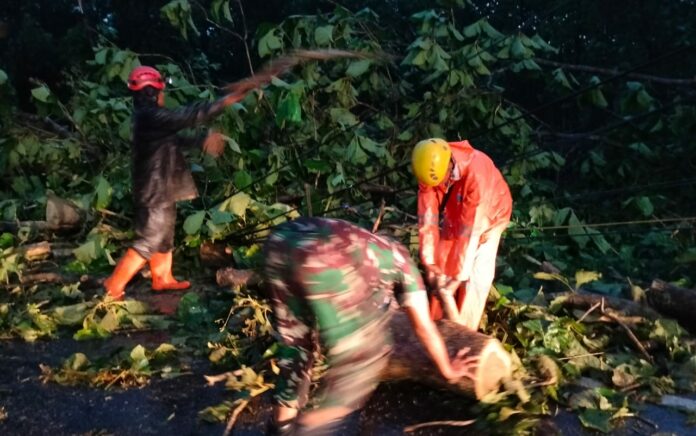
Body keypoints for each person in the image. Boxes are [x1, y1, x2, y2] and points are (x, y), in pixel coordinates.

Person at [263, 217, 477, 435]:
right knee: (365, 356)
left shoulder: (364, 243)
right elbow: (424, 327)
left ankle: (281, 428)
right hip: (321, 255)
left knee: (297, 345)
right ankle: (311, 429)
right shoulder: (403, 265)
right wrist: (448, 370)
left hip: (280, 241)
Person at [104, 66, 265, 300]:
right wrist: (227, 100)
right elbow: (188, 115)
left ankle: (162, 278)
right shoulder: (152, 116)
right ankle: (114, 284)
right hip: (155, 190)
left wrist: (202, 142)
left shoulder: (150, 118)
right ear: (154, 91)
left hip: (162, 187)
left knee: (164, 235)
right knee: (150, 238)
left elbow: (173, 140)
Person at [412, 138, 512, 329]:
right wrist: (429, 261)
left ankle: (466, 331)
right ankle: (435, 322)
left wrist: (457, 278)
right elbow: (428, 217)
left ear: (449, 168)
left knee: (475, 277)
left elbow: (471, 232)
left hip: (490, 217)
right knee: (442, 264)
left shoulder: (477, 174)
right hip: (456, 210)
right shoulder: (428, 166)